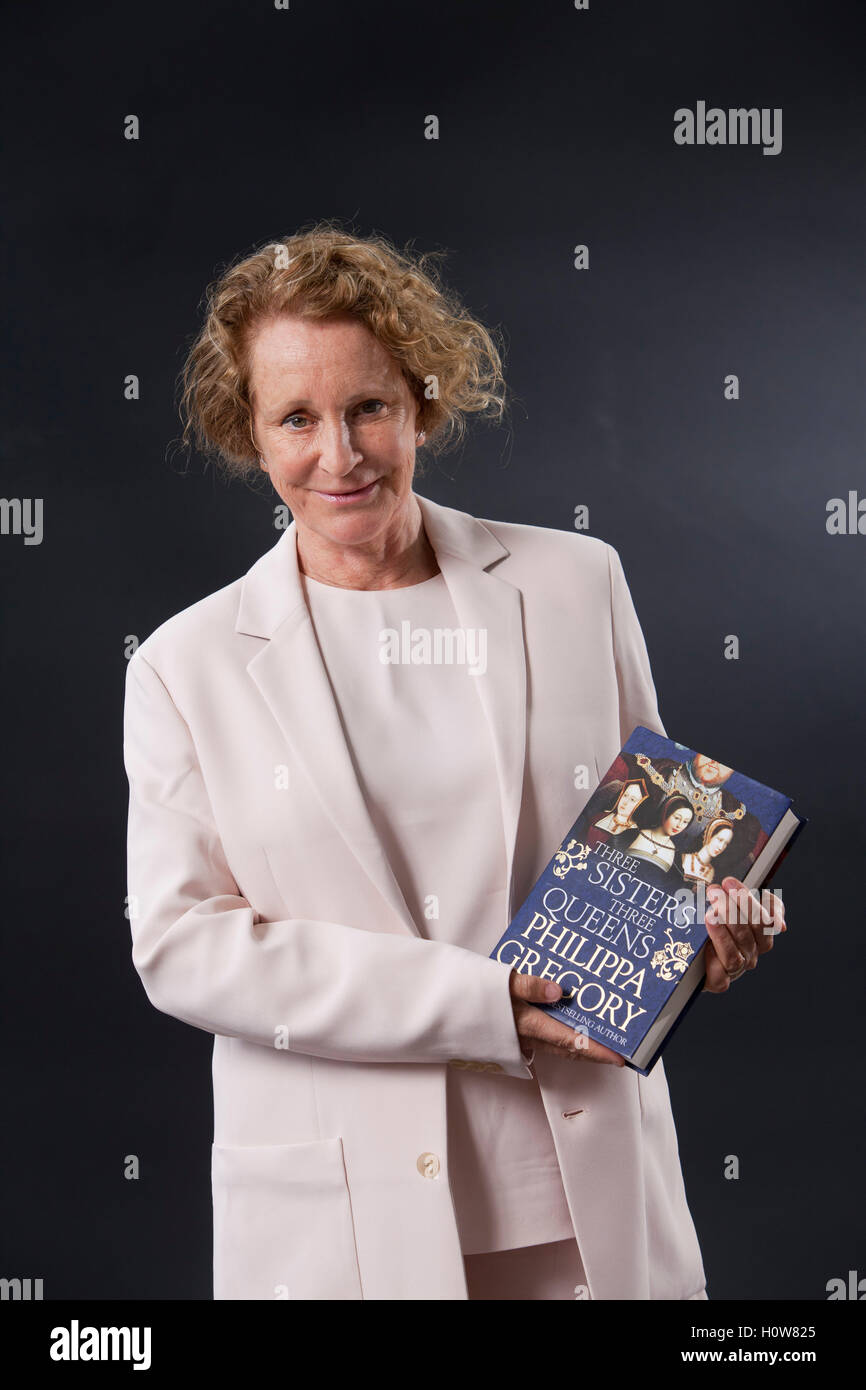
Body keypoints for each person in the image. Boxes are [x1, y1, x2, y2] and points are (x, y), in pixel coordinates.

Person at [122, 222, 786, 1301]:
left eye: (368, 408)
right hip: (338, 1210)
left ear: (421, 402)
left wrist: (702, 937)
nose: (337, 455)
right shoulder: (180, 667)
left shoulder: (577, 582)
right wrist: (469, 1000)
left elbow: (646, 855)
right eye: (296, 418)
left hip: (584, 1189)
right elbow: (183, 946)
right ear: (249, 433)